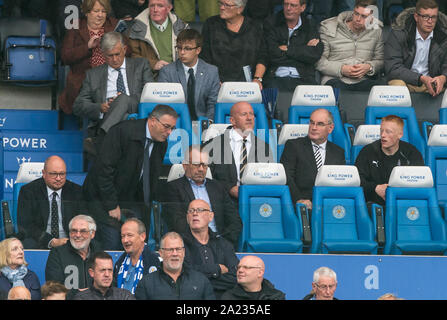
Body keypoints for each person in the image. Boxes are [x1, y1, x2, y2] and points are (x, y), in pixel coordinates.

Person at [82, 105, 178, 250]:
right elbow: (103, 171)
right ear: (153, 121)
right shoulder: (122, 132)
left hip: (133, 200)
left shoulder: (161, 142)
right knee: (114, 243)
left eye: (172, 128)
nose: (169, 132)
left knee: (138, 243)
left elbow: (151, 176)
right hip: (103, 198)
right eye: (166, 127)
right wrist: (111, 204)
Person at [73, 31, 153, 157]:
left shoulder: (141, 65)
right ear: (103, 54)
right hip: (111, 116)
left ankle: (101, 139)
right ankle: (107, 138)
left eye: (117, 54)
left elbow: (149, 93)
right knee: (121, 109)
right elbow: (78, 105)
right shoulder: (93, 75)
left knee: (122, 99)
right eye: (110, 56)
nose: (115, 59)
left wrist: (121, 100)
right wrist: (100, 107)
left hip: (136, 109)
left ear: (125, 49)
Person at [58, 0, 128, 115]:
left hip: (112, 75)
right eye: (96, 11)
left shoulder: (114, 25)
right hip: (84, 78)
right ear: (87, 12)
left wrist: (113, 43)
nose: (100, 15)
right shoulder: (75, 26)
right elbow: (65, 56)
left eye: (103, 11)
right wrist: (88, 47)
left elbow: (128, 51)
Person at [165, 146, 242, 247]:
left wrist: (223, 242)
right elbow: (176, 223)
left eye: (205, 165)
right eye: (197, 164)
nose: (201, 169)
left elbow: (235, 221)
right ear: (185, 165)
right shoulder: (173, 188)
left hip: (219, 243)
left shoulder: (217, 187)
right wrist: (203, 240)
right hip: (189, 245)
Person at [204, 102, 274, 202]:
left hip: (255, 201)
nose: (249, 118)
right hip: (223, 201)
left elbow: (269, 179)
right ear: (232, 120)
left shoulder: (264, 147)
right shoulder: (213, 145)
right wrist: (229, 188)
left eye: (251, 114)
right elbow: (204, 179)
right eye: (244, 114)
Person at [280, 109, 345, 210]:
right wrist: (299, 200)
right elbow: (287, 177)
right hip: (302, 206)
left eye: (320, 124)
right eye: (311, 123)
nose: (314, 127)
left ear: (330, 128)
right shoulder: (293, 146)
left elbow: (340, 183)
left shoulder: (338, 152)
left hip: (329, 206)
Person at [17, 155, 85, 249]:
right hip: (40, 240)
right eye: (53, 174)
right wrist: (51, 241)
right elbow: (26, 225)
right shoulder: (29, 191)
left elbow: (83, 220)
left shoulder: (76, 191)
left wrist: (73, 238)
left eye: (62, 174)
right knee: (28, 243)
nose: (58, 178)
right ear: (44, 174)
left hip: (70, 239)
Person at [354, 115, 424, 206]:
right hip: (373, 204)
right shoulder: (367, 151)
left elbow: (420, 182)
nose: (383, 135)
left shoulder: (412, 153)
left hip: (404, 203)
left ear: (400, 134)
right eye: (381, 130)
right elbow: (357, 180)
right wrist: (375, 188)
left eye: (388, 132)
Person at [316, 0, 384, 91]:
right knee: (337, 89)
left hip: (364, 80)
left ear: (372, 18)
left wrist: (369, 67)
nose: (358, 19)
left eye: (364, 16)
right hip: (335, 79)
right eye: (356, 13)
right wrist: (341, 69)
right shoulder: (329, 28)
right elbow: (319, 62)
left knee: (381, 90)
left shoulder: (377, 31)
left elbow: (380, 60)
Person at [385, 0, 447, 97]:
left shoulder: (444, 36)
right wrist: (421, 78)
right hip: (405, 82)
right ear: (416, 17)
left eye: (433, 17)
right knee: (397, 86)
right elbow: (393, 68)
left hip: (432, 83)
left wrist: (443, 78)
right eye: (425, 17)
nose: (430, 21)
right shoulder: (399, 33)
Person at [200, 0, 268, 88]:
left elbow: (263, 56)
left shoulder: (255, 27)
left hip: (248, 83)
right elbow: (204, 57)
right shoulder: (211, 24)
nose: (221, 7)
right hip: (217, 82)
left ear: (240, 9)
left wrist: (257, 79)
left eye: (227, 5)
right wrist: (213, 80)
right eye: (221, 3)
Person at [158, 28, 220, 121]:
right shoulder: (167, 71)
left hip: (202, 122)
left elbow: (212, 103)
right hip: (176, 123)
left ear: (198, 50)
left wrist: (208, 123)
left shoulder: (211, 71)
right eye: (179, 48)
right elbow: (164, 104)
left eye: (187, 48)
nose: (182, 52)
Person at [182, 199, 239, 299]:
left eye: (200, 210)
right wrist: (216, 269)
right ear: (187, 218)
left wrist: (201, 281)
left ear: (211, 216)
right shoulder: (180, 244)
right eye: (191, 211)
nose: (195, 213)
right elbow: (184, 274)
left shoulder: (223, 244)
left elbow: (235, 276)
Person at [263, 0, 324, 92]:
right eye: (286, 4)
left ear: (302, 8)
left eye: (293, 5)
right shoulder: (272, 23)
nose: (288, 8)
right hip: (276, 77)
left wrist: (287, 49)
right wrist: (303, 51)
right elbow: (272, 53)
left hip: (304, 78)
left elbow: (314, 54)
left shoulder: (310, 25)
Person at [135, 232, 216, 300]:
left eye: (178, 249)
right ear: (161, 253)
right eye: (170, 250)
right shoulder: (146, 284)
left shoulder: (201, 281)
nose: (175, 253)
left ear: (184, 252)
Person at [45, 215, 101, 299]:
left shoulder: (99, 254)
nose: (78, 235)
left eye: (83, 231)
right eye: (74, 231)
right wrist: (82, 295)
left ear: (92, 234)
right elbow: (53, 288)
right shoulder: (57, 254)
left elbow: (109, 283)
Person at [128, 0, 189, 75]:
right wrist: (153, 64)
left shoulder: (182, 27)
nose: (155, 10)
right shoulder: (136, 28)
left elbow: (191, 53)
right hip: (150, 76)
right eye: (152, 6)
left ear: (169, 8)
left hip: (178, 75)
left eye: (160, 6)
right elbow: (132, 57)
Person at [113, 218, 161, 294]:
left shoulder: (155, 262)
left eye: (129, 235)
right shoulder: (119, 263)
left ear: (142, 236)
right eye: (122, 236)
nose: (125, 240)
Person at [221, 255, 285, 300]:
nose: (240, 270)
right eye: (238, 267)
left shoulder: (276, 296)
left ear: (260, 273)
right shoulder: (228, 297)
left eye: (246, 267)